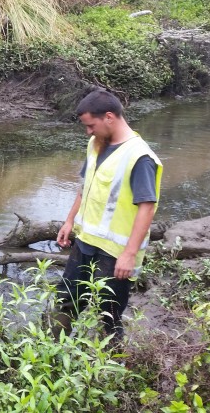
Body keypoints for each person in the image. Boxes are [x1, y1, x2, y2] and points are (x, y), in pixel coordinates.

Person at [54, 89, 163, 342]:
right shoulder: (96, 144)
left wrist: (129, 254)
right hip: (85, 242)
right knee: (66, 300)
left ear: (110, 117)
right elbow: (86, 186)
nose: (88, 131)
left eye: (91, 125)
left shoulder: (140, 157)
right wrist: (70, 220)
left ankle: (111, 369)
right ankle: (52, 355)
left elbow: (147, 208)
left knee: (109, 315)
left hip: (115, 254)